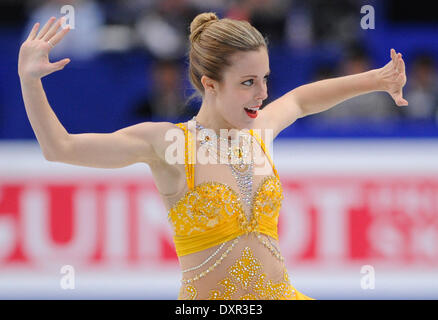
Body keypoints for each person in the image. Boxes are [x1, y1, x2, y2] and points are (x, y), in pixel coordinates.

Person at [18, 12, 408, 300]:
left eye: (265, 79)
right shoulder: (168, 144)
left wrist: (376, 79)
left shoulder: (259, 131)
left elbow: (303, 99)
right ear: (210, 85)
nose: (262, 93)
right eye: (248, 83)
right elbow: (60, 148)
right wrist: (30, 81)